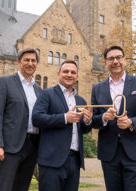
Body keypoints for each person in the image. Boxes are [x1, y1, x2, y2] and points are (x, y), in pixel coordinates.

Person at [91, 45, 136, 191]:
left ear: (125, 60)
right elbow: (93, 121)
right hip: (109, 153)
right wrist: (104, 118)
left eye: (118, 58)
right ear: (105, 62)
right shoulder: (97, 88)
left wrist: (131, 122)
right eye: (111, 59)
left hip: (135, 152)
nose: (115, 61)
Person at [32, 60, 92, 191]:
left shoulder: (81, 100)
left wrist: (87, 121)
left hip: (74, 161)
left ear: (77, 76)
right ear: (58, 74)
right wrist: (65, 118)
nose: (69, 74)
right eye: (66, 71)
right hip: (51, 161)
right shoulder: (46, 94)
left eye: (73, 72)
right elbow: (36, 119)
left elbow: (84, 129)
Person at [0, 48, 42, 191]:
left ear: (37, 64)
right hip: (10, 147)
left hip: (32, 146)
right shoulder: (5, 82)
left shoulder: (38, 89)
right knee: (3, 187)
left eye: (33, 60)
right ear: (19, 62)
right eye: (27, 60)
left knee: (22, 187)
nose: (30, 63)